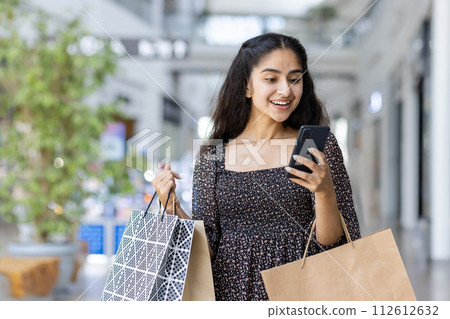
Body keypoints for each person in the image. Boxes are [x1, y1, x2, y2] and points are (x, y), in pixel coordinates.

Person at [152, 33, 360, 301]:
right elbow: (207, 248)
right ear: (247, 86)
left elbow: (335, 243)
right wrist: (171, 207)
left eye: (294, 79)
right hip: (232, 296)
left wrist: (325, 191)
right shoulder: (213, 156)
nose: (285, 90)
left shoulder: (316, 146)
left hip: (302, 294)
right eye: (271, 79)